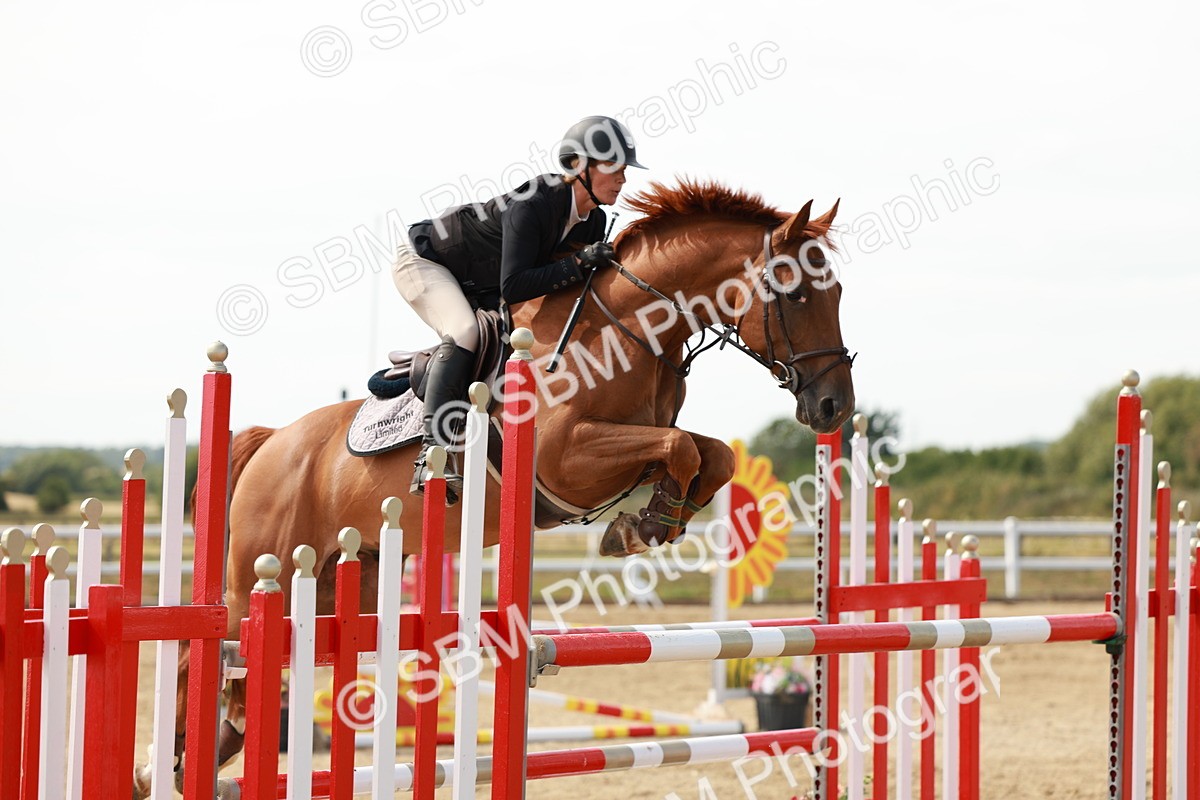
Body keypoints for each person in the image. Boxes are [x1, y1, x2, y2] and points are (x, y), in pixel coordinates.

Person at [393, 115, 647, 502]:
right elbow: (515, 285)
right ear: (580, 166)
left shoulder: (592, 221)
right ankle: (432, 455)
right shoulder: (535, 202)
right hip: (427, 263)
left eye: (624, 170)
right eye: (614, 168)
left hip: (480, 281)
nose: (623, 179)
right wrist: (578, 264)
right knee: (465, 332)